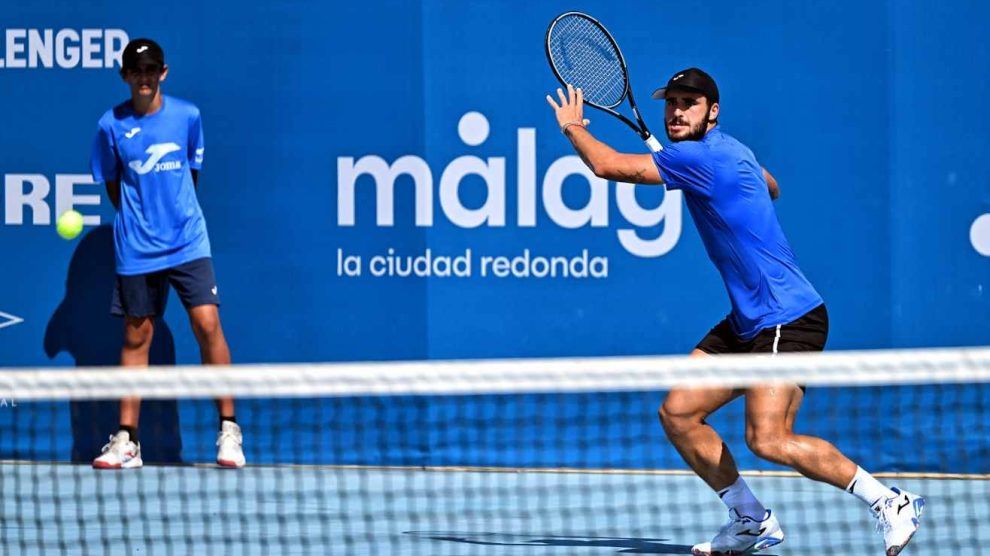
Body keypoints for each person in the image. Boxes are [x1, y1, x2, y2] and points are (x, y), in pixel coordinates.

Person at [546, 68, 923, 555]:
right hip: (748, 321)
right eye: (671, 103)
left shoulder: (698, 158)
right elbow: (771, 185)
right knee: (679, 413)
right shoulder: (730, 150)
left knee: (769, 439)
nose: (676, 111)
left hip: (787, 318)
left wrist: (573, 127)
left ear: (712, 111)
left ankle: (890, 501)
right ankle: (750, 519)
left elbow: (607, 166)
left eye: (689, 103)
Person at [89, 38, 245, 470]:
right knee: (137, 336)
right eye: (136, 71)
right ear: (125, 76)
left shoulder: (188, 117)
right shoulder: (110, 125)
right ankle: (128, 441)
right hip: (137, 246)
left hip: (188, 240)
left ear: (164, 73)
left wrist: (172, 217)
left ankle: (229, 430)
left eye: (151, 70)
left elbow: (190, 177)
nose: (144, 77)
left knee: (207, 323)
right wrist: (142, 221)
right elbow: (114, 185)